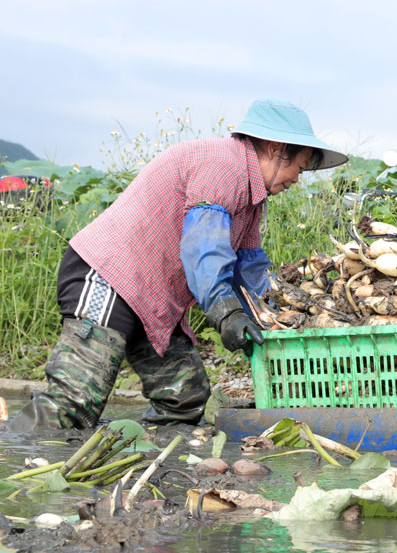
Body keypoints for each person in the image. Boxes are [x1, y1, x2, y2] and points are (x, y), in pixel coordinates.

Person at [9, 99, 348, 430]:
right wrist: (226, 313)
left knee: (184, 400)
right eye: (298, 168)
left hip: (152, 295)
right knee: (74, 401)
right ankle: (20, 455)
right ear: (276, 148)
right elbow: (204, 249)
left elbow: (248, 269)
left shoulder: (252, 198)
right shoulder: (223, 166)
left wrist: (275, 320)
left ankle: (149, 465)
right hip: (109, 276)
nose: (296, 179)